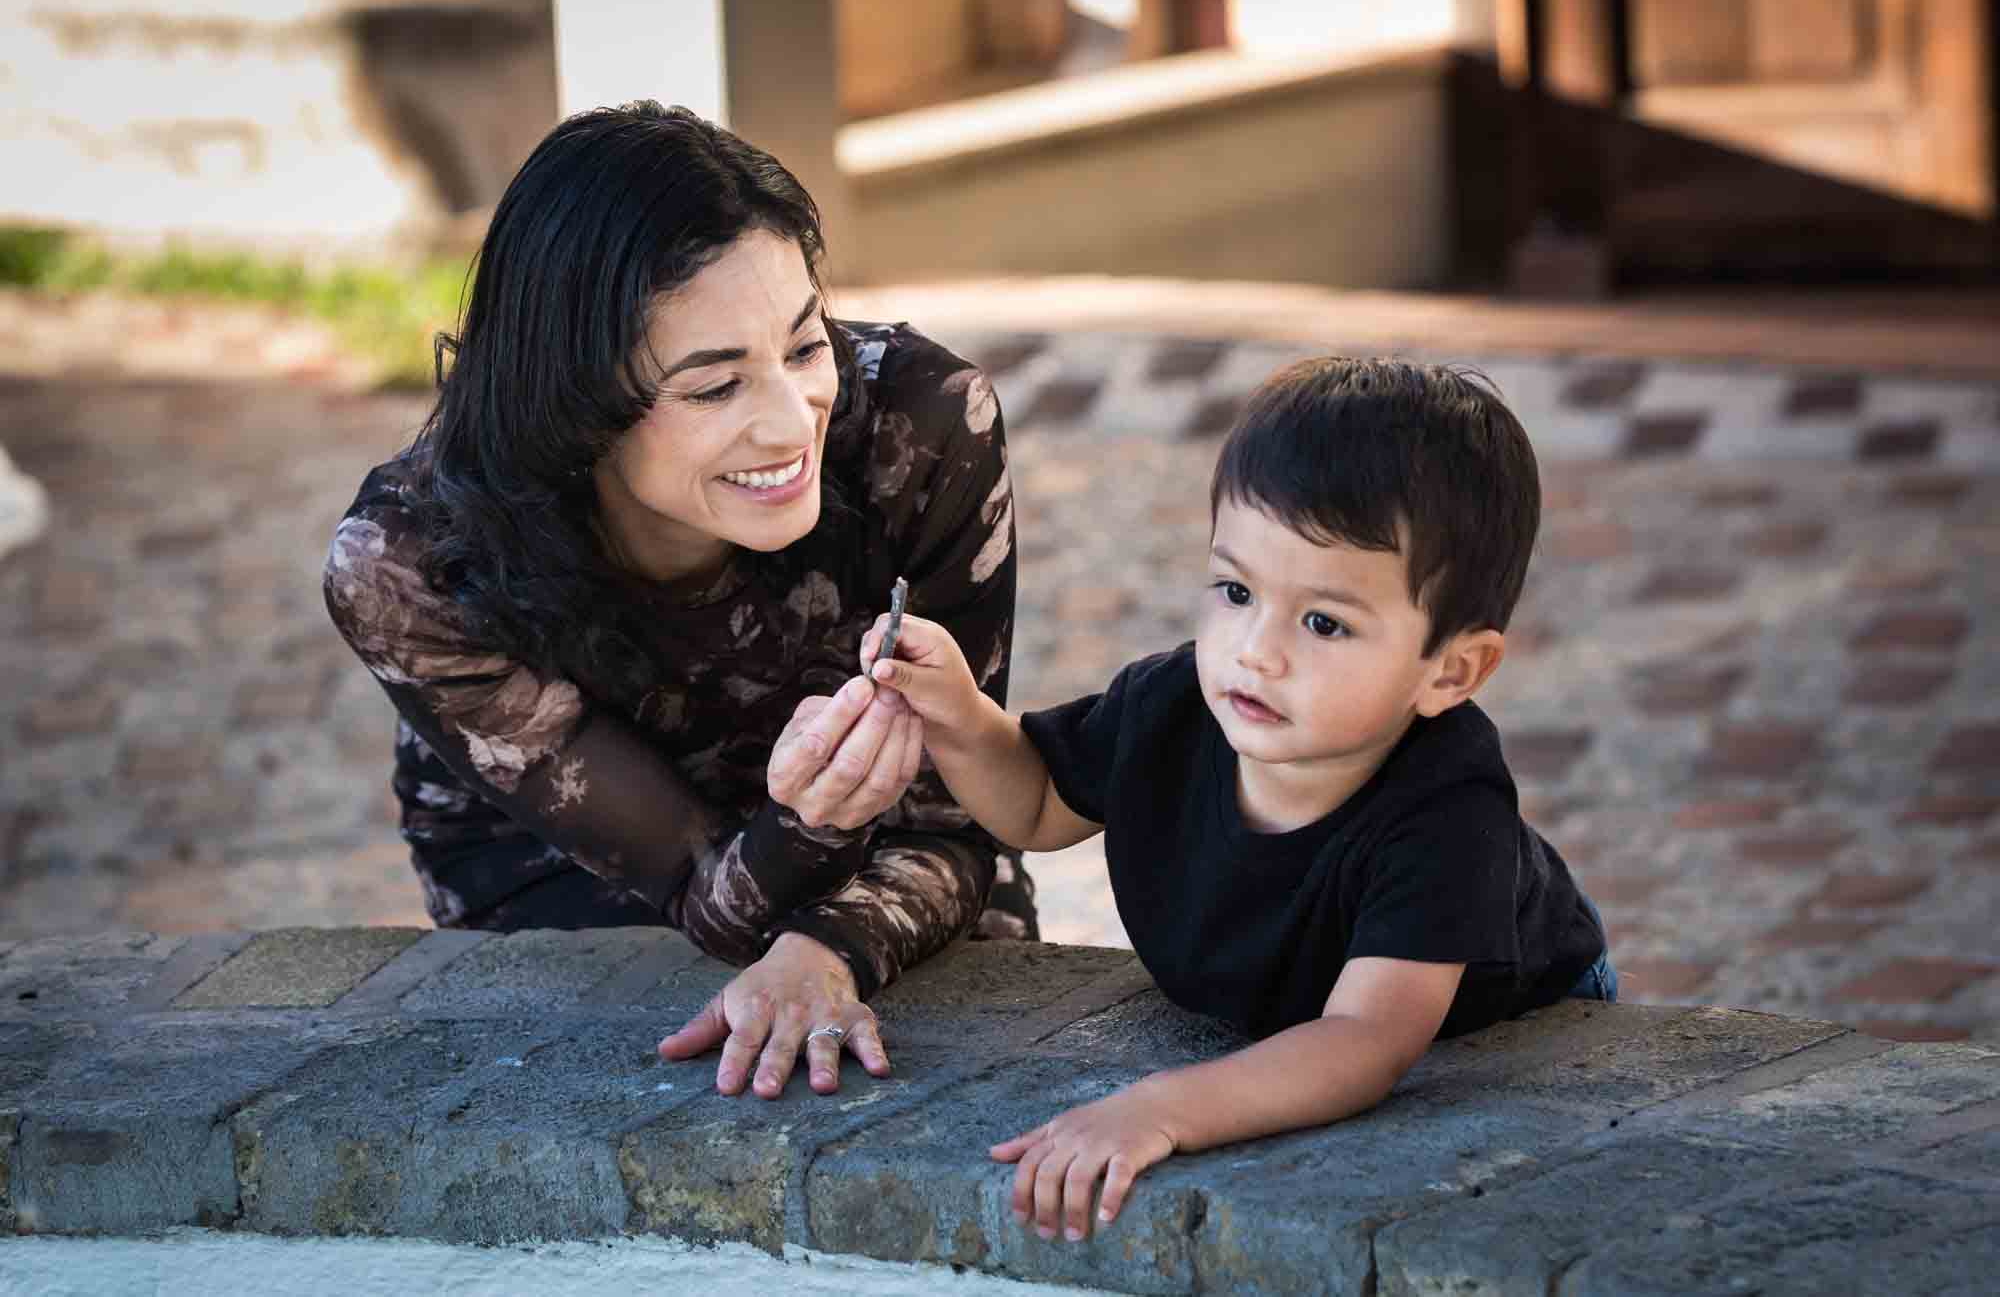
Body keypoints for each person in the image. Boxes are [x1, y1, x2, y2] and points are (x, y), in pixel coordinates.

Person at [323, 101, 1035, 1102]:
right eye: (713, 388)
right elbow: (698, 892)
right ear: (574, 407)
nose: (794, 425)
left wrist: (825, 949)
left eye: (802, 345)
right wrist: (805, 830)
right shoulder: (414, 565)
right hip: (577, 877)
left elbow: (960, 822)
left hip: (882, 856)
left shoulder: (920, 431)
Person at [863, 357, 1612, 1242]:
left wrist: (1162, 1109)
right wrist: (956, 711)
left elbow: (1365, 1041)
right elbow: (1031, 800)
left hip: (1497, 1021)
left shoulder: (1448, 807)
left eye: (1323, 622)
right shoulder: (1170, 706)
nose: (1256, 650)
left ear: (1451, 669)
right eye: (1236, 590)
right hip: (1290, 1003)